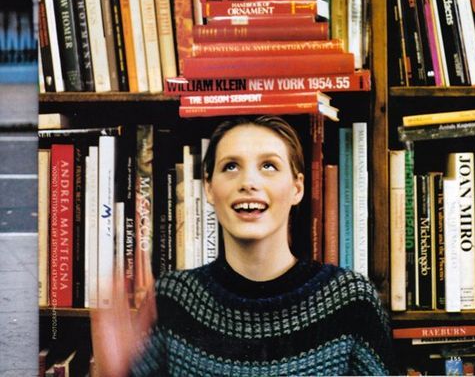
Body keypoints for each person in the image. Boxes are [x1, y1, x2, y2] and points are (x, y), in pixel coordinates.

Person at [92, 115, 397, 376]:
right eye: (231, 167)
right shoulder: (173, 298)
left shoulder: (350, 300)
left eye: (268, 166)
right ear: (209, 188)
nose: (248, 181)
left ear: (297, 188)